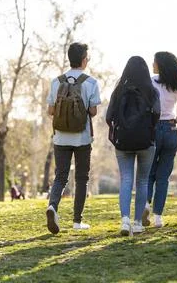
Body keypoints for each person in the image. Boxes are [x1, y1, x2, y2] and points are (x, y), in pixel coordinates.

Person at [45, 42, 101, 234]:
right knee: (81, 178)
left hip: (60, 137)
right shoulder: (91, 82)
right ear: (84, 60)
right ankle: (77, 221)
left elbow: (50, 110)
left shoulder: (56, 81)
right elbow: (93, 111)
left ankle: (52, 206)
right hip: (82, 138)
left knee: (60, 176)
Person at [106, 56, 160, 236]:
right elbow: (157, 115)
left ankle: (125, 220)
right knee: (143, 181)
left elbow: (108, 117)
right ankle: (138, 222)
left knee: (126, 179)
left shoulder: (118, 90)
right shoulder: (152, 91)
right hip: (146, 141)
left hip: (123, 142)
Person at [143, 52, 177, 228]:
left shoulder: (151, 81)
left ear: (160, 64)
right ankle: (158, 217)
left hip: (153, 129)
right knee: (163, 177)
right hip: (171, 129)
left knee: (149, 172)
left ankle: (145, 204)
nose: (152, 64)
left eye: (154, 61)